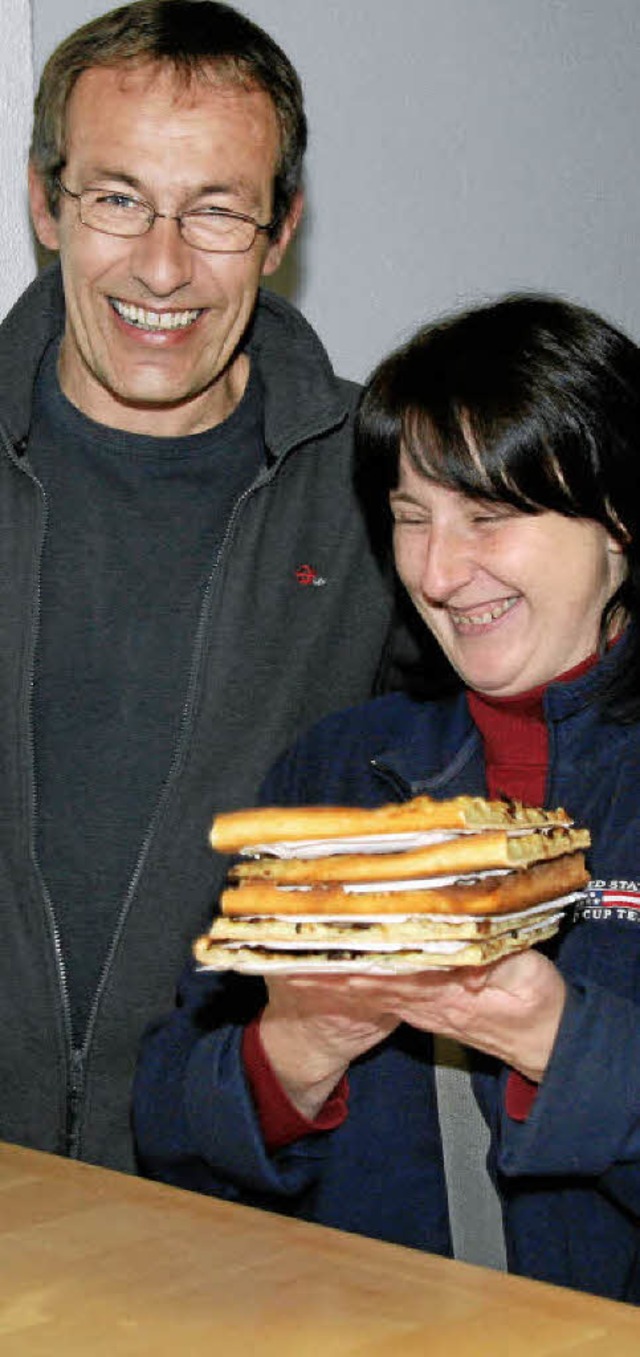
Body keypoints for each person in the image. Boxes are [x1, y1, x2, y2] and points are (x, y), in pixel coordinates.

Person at [135, 292, 640, 1305]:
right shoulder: (341, 774)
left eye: (489, 518)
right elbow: (169, 1129)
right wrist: (296, 1048)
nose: (440, 573)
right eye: (410, 518)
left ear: (618, 519)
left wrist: (558, 1041)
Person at [0, 0, 409, 1174]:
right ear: (46, 203)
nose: (163, 267)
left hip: (243, 1200)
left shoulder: (384, 486)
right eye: (117, 199)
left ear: (282, 228)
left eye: (216, 210)